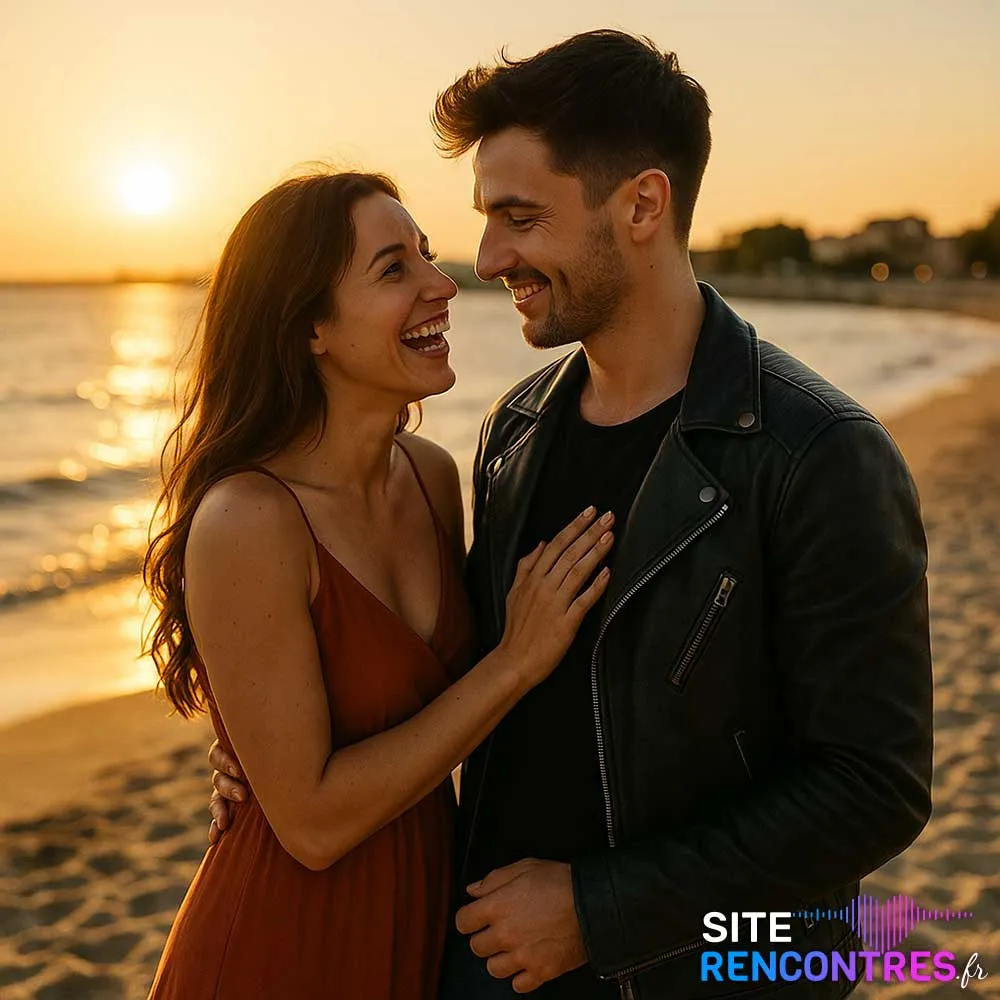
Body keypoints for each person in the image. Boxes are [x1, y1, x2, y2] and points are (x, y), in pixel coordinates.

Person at [208, 30, 934, 1000]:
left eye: (519, 218)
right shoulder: (511, 433)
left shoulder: (816, 453)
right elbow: (460, 681)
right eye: (484, 221)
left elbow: (873, 788)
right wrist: (268, 751)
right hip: (480, 961)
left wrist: (600, 909)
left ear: (641, 205)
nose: (484, 260)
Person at [141, 170, 615, 1000]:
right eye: (395, 269)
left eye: (426, 256)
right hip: (278, 945)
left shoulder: (431, 478)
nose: (443, 284)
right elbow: (312, 826)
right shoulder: (249, 519)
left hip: (420, 924)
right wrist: (514, 662)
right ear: (310, 327)